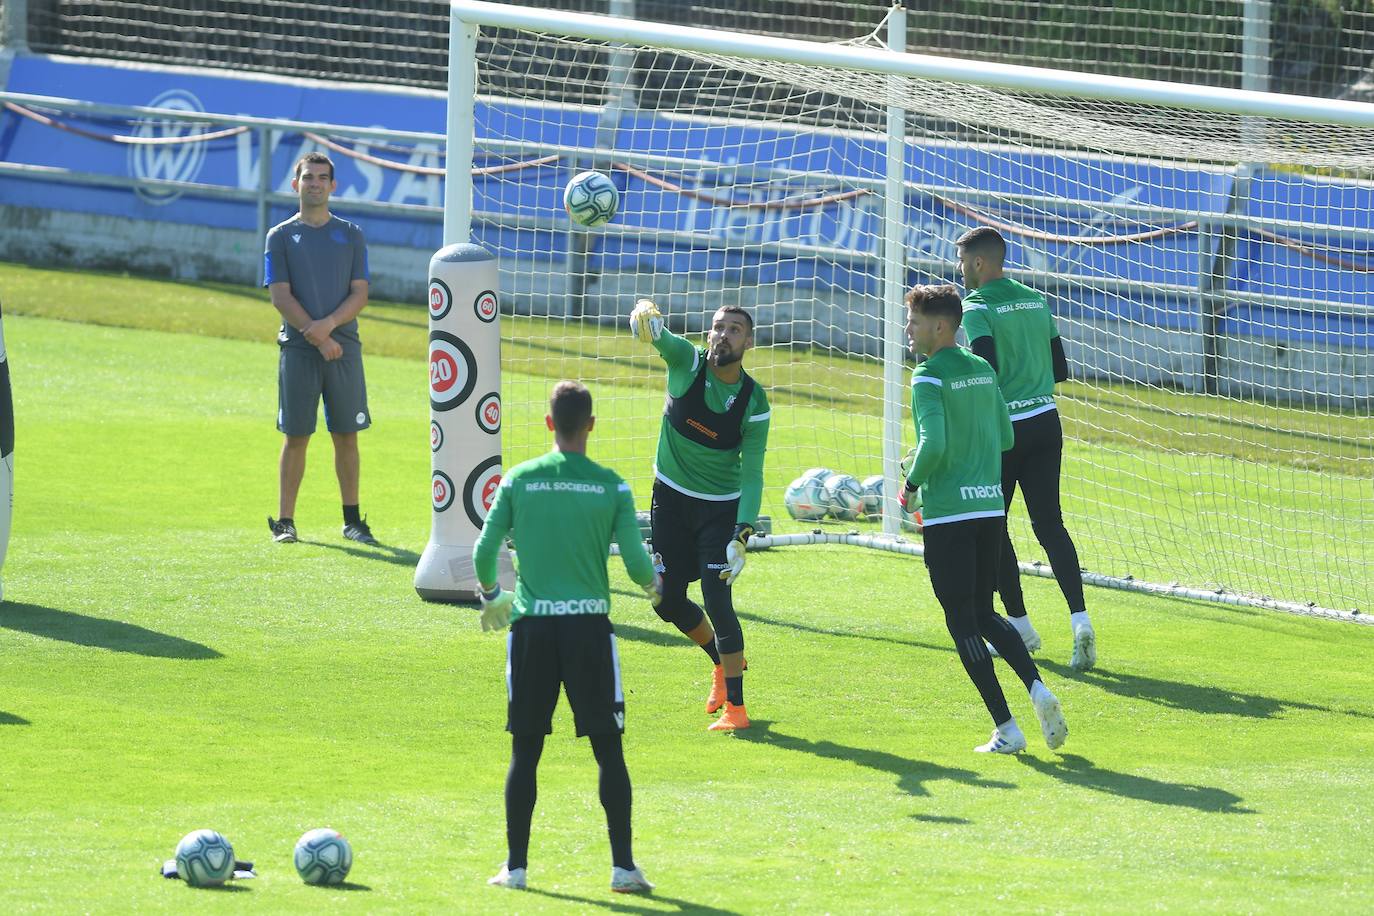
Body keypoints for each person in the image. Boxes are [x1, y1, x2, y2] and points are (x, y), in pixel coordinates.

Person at [473, 380, 661, 894]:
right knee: (608, 751)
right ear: (592, 426)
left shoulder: (519, 480)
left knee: (525, 751)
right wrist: (655, 587)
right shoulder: (612, 487)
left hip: (532, 629)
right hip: (589, 633)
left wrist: (492, 596)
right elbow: (639, 563)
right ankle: (623, 869)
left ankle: (515, 869)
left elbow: (484, 551)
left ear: (550, 424)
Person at [901, 283, 1068, 754]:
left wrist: (911, 485)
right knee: (984, 613)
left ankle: (1008, 728)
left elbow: (933, 444)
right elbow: (1004, 439)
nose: (908, 331)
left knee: (962, 622)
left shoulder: (928, 377)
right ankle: (1039, 690)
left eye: (914, 322)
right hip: (990, 510)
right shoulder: (981, 368)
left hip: (950, 514)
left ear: (940, 327)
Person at [957, 226, 1096, 670]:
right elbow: (1059, 368)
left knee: (992, 526)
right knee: (1050, 525)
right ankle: (1080, 619)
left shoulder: (976, 306)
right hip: (1047, 422)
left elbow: (986, 373)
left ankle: (1019, 623)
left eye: (962, 262)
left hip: (1005, 430)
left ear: (979, 263)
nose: (960, 271)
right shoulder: (1037, 299)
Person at [628, 299, 770, 732]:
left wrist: (741, 532)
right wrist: (644, 314)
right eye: (717, 327)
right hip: (670, 500)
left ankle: (737, 711)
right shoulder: (687, 361)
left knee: (717, 600)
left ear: (749, 341)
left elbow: (754, 472)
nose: (722, 335)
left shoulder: (753, 400)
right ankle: (723, 664)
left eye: (734, 330)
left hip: (719, 511)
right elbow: (659, 335)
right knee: (664, 599)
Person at [264, 151, 377, 546]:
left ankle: (352, 521)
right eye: (307, 177)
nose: (314, 183)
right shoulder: (279, 236)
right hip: (298, 351)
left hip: (343, 349)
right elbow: (280, 296)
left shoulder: (351, 234)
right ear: (295, 184)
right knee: (296, 435)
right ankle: (285, 522)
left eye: (321, 177)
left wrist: (328, 329)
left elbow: (360, 293)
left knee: (347, 434)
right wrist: (316, 335)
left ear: (333, 185)